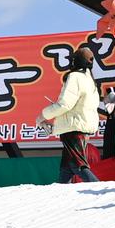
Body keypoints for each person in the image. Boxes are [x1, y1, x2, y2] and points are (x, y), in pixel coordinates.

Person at [42, 44, 99, 183]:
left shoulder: (74, 77)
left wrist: (43, 115)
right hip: (80, 127)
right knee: (66, 168)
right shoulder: (89, 79)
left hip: (73, 128)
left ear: (75, 61)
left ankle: (100, 190)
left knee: (78, 166)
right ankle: (58, 195)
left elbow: (65, 104)